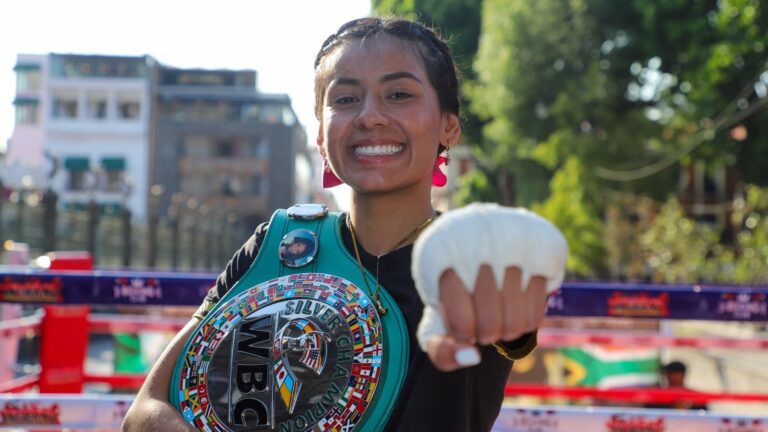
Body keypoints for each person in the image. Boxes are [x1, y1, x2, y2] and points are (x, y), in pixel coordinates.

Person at [123, 17, 566, 431]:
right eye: (345, 98)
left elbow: (513, 319)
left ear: (449, 126)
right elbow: (147, 410)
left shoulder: (472, 257)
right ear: (320, 134)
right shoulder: (278, 246)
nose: (370, 116)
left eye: (399, 95)